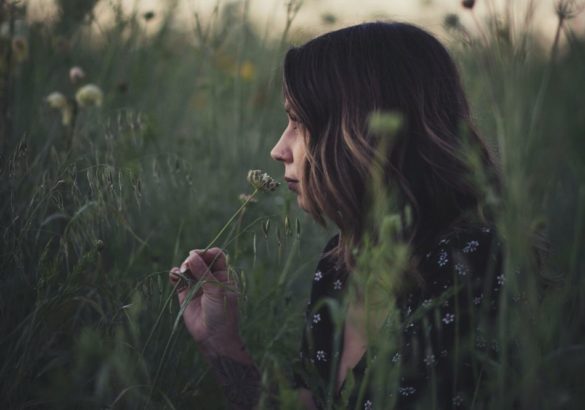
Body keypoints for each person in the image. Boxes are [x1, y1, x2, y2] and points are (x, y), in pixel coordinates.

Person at [170, 21, 504, 410]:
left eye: (299, 123)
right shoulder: (341, 263)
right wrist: (219, 340)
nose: (279, 149)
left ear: (363, 131)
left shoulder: (473, 263)